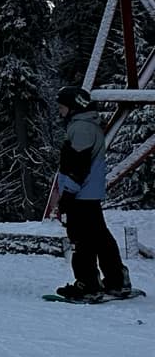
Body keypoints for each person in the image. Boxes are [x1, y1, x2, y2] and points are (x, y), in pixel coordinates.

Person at [55, 86, 131, 301]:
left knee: (81, 240)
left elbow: (78, 164)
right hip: (89, 193)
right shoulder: (88, 124)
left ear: (73, 107)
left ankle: (88, 284)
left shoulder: (81, 128)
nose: (60, 111)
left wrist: (68, 193)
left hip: (80, 193)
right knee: (100, 237)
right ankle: (117, 280)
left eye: (62, 107)